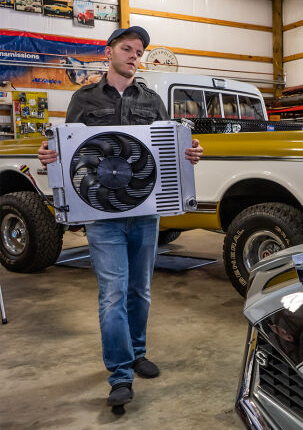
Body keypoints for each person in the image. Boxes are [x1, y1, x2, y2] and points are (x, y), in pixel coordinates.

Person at [38, 26, 203, 407]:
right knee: (112, 294)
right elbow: (69, 152)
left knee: (139, 290)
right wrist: (50, 157)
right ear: (109, 52)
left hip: (145, 211)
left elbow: (167, 149)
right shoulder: (84, 99)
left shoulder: (152, 100)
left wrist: (189, 153)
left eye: (139, 51)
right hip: (102, 212)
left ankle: (137, 351)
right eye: (127, 48)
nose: (134, 56)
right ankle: (120, 374)